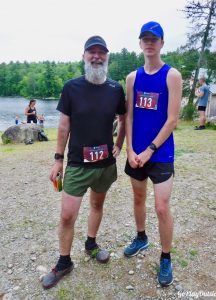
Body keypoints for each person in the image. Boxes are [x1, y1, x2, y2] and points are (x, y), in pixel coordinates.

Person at [41, 35, 126, 289]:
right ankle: (64, 261)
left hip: (104, 165)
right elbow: (64, 126)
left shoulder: (115, 89)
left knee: (97, 206)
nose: (97, 56)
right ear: (84, 56)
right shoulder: (71, 88)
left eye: (102, 53)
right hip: (78, 164)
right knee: (67, 216)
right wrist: (58, 160)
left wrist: (119, 144)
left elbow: (123, 119)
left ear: (107, 58)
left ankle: (91, 244)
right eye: (92, 52)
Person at [124, 21, 182, 287]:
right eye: (144, 39)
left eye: (154, 39)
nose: (149, 43)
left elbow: (172, 120)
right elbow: (129, 116)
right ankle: (141, 237)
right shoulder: (132, 78)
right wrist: (130, 149)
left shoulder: (172, 75)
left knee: (161, 206)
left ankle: (166, 256)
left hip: (160, 154)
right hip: (136, 153)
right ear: (140, 43)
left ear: (161, 43)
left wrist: (149, 150)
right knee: (138, 198)